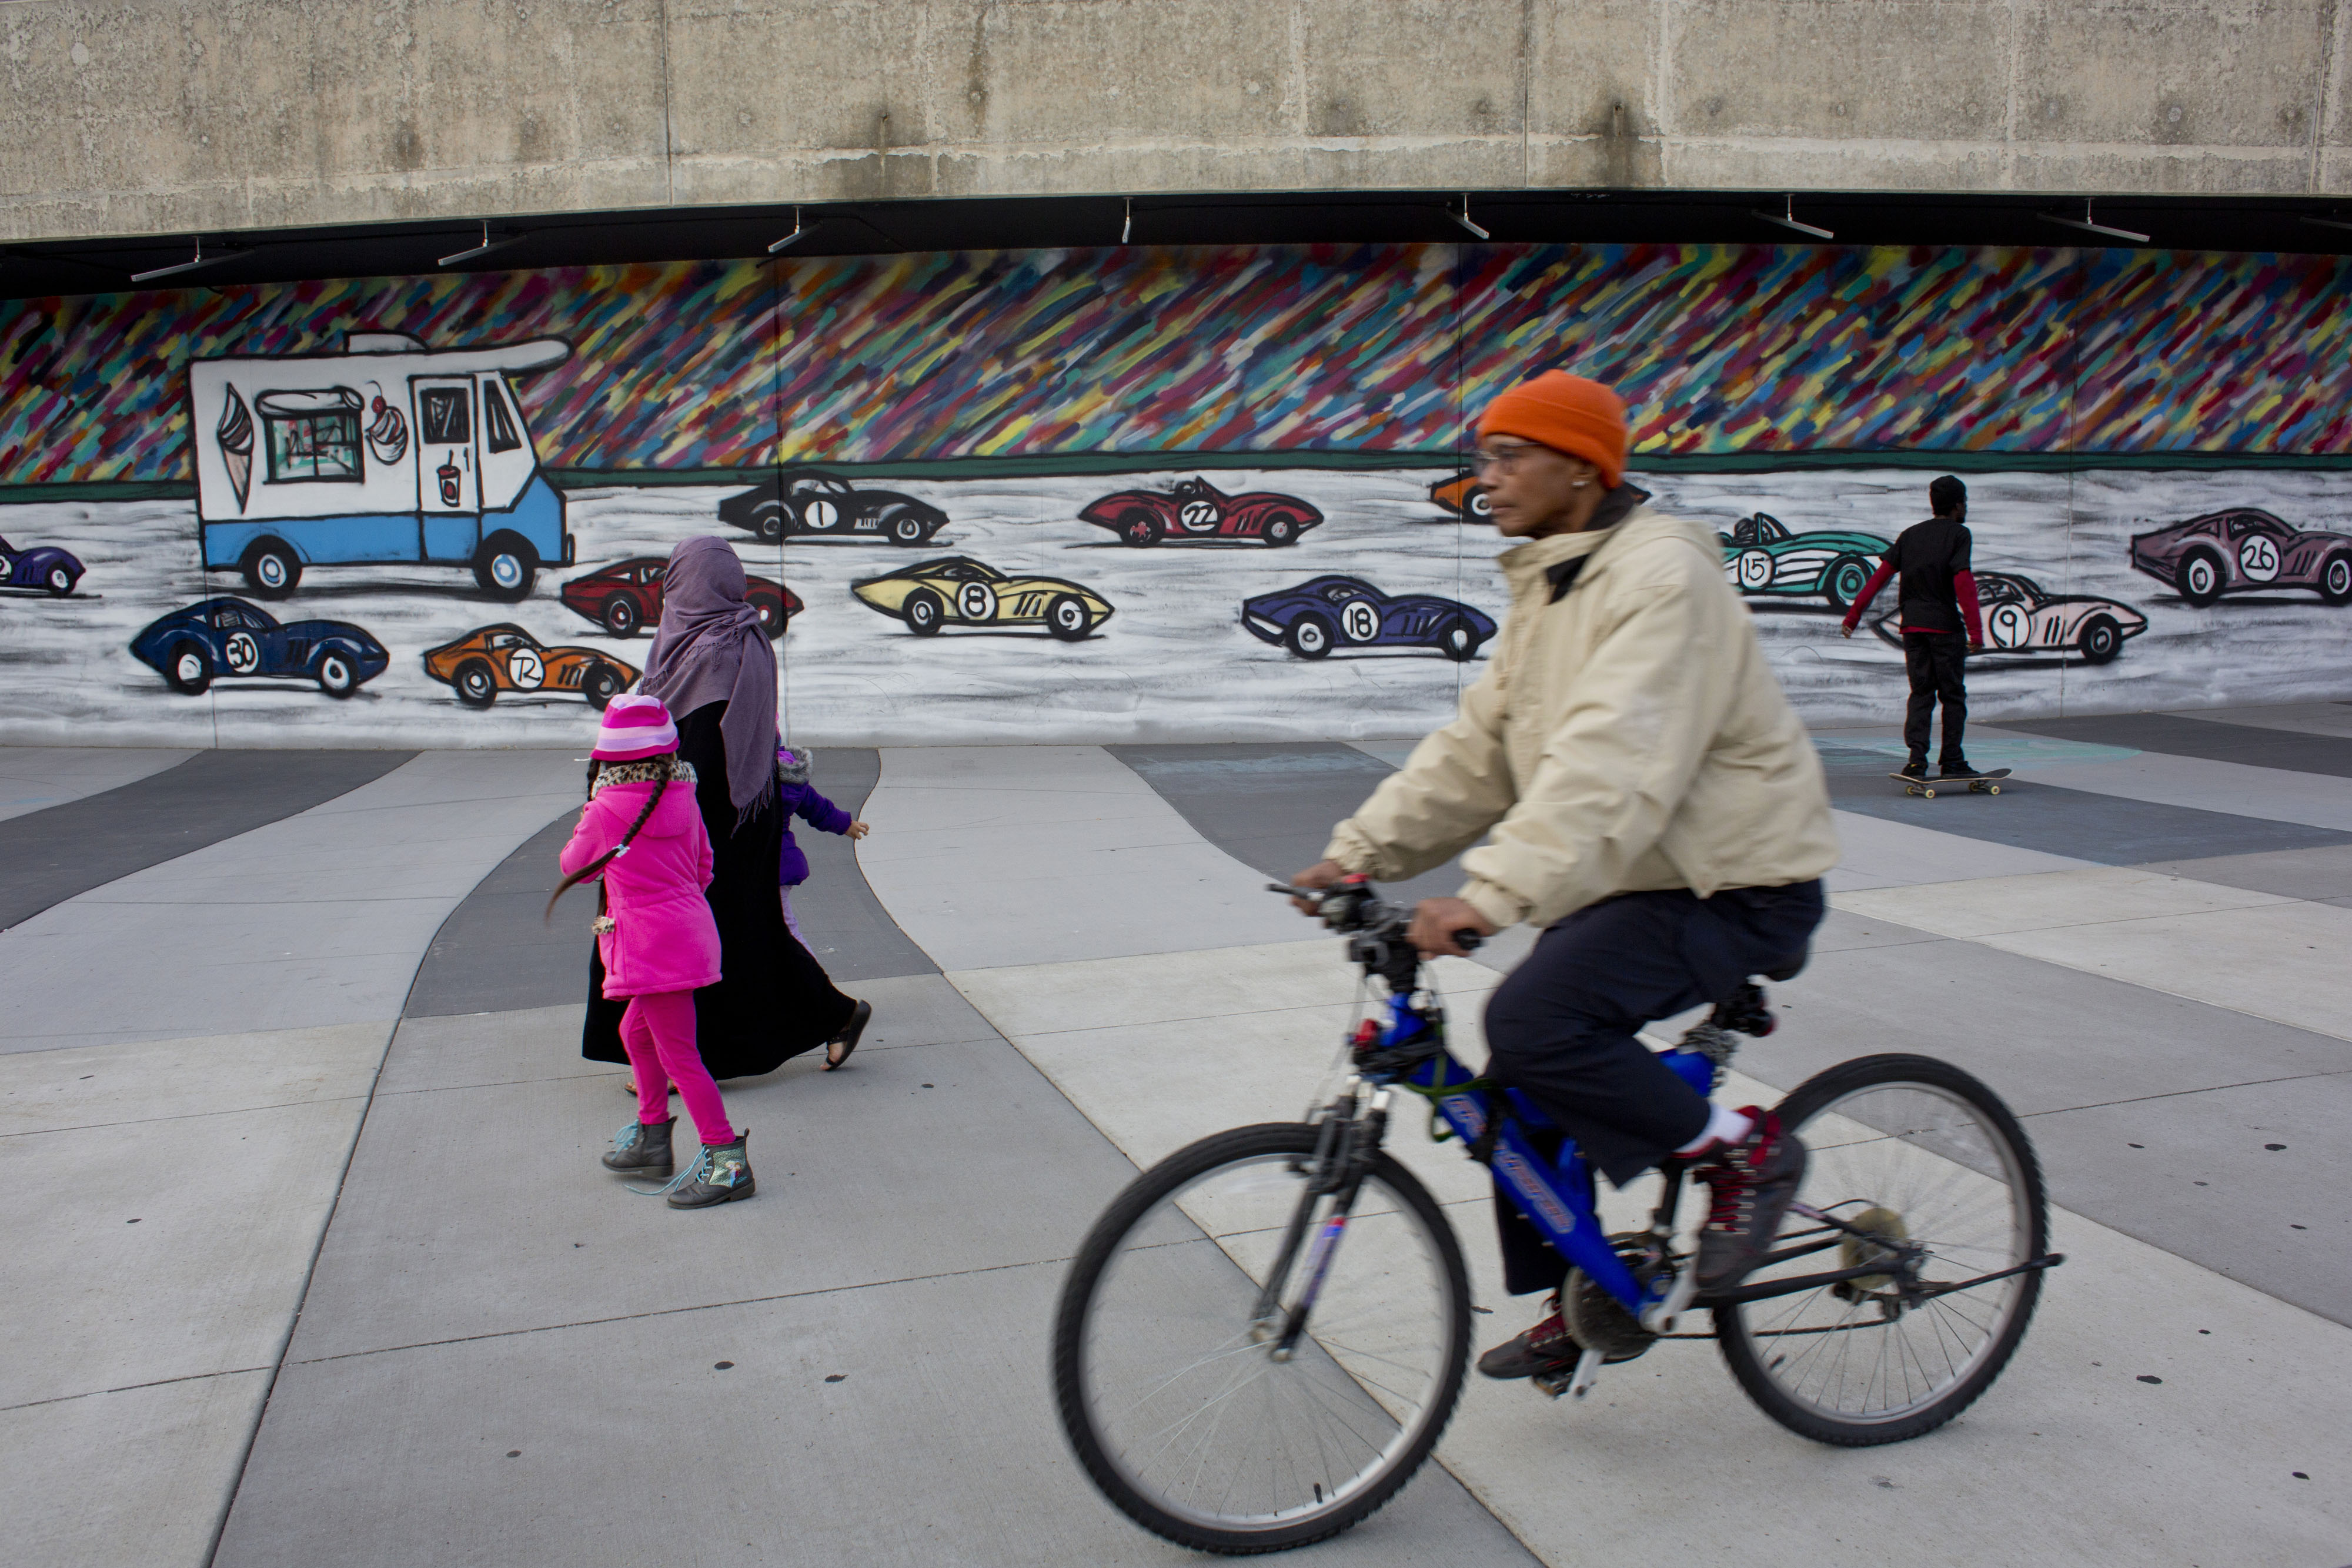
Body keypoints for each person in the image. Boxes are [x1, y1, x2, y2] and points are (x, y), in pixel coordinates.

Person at [1288, 370, 1839, 1385]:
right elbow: (1479, 750)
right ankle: (1586, 1297)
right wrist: (1357, 853)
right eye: (1483, 455)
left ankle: (1744, 1149)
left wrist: (1488, 895)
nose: (1484, 476)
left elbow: (1612, 760)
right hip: (1638, 876)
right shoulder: (1554, 583)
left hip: (1737, 881)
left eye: (1506, 455)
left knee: (1538, 1021)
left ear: (1582, 467)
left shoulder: (1662, 579)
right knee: (1514, 1092)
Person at [581, 536, 871, 1084]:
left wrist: (654, 818)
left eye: (677, 579)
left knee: (700, 937)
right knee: (740, 932)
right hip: (721, 815)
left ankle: (676, 1055)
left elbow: (705, 752)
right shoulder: (706, 640)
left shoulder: (719, 648)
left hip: (713, 818)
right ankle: (834, 1014)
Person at [555, 695, 752, 1208]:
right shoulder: (684, 796)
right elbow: (706, 866)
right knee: (634, 1033)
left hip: (647, 945)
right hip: (689, 933)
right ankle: (652, 1138)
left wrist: (590, 812)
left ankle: (727, 1162)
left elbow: (575, 866)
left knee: (680, 1056)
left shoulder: (605, 809)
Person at [1839, 476, 1986, 779]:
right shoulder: (1959, 534)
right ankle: (1953, 761)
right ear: (1958, 504)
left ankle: (1917, 761)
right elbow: (1963, 583)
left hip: (1914, 630)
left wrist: (1853, 616)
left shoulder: (1910, 535)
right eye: (1965, 503)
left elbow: (1879, 578)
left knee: (1921, 693)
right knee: (1953, 696)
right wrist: (1976, 632)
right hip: (1946, 630)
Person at [774, 745, 871, 969]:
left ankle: (814, 981)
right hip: (781, 864)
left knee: (785, 930)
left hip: (771, 866)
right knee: (784, 928)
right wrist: (846, 824)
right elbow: (816, 806)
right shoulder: (787, 770)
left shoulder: (750, 772)